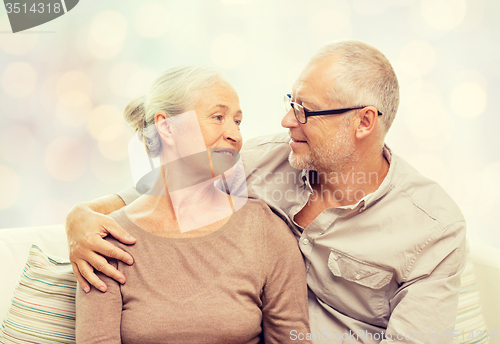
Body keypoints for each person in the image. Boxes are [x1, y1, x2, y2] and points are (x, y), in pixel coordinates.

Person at [67, 41, 466, 343]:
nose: (286, 120)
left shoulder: (433, 230)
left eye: (305, 110)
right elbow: (167, 189)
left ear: (363, 123)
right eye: (291, 101)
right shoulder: (264, 160)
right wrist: (81, 217)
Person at [74, 65, 311, 343]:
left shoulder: (264, 230)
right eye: (218, 117)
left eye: (237, 121)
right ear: (166, 127)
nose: (234, 134)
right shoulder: (106, 241)